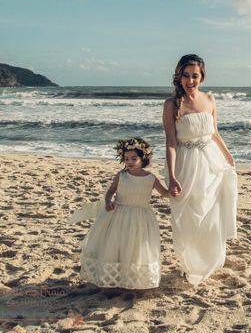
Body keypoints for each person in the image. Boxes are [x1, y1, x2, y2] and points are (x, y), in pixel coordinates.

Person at [163, 54, 237, 285]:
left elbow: (214, 133)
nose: (190, 80)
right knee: (189, 216)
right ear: (179, 76)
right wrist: (173, 176)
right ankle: (191, 263)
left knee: (211, 212)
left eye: (195, 75)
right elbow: (171, 142)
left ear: (202, 77)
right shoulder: (172, 104)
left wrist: (228, 156)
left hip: (211, 162)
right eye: (186, 75)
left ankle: (210, 259)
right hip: (185, 162)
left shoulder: (210, 99)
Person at [70, 137, 170, 289]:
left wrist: (175, 190)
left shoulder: (151, 178)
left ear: (143, 158)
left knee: (136, 246)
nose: (129, 162)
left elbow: (164, 193)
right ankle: (115, 277)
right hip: (119, 214)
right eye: (126, 158)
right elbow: (111, 191)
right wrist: (109, 200)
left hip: (140, 217)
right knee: (117, 244)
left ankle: (133, 278)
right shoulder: (122, 175)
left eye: (133, 158)